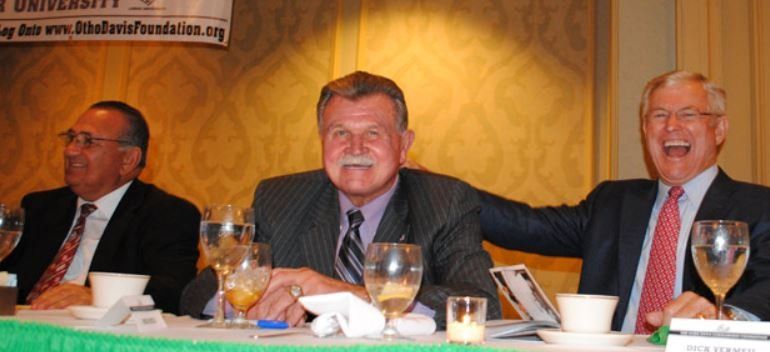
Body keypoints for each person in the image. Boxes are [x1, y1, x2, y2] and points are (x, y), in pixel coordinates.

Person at [180, 71, 501, 326]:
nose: (355, 147)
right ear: (322, 141)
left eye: (373, 133)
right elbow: (198, 296)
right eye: (340, 133)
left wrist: (346, 294)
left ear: (404, 145)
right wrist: (246, 304)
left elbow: (481, 306)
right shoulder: (280, 198)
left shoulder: (444, 201)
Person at [479, 70, 770, 333]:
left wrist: (724, 319)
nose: (671, 125)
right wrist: (439, 188)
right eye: (658, 115)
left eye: (688, 114)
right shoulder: (612, 202)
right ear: (645, 131)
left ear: (719, 130)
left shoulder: (758, 206)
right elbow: (523, 224)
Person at [0, 101, 200, 315]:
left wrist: (97, 297)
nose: (70, 150)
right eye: (71, 138)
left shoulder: (167, 214)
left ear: (128, 159)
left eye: (88, 142)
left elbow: (174, 292)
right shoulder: (39, 206)